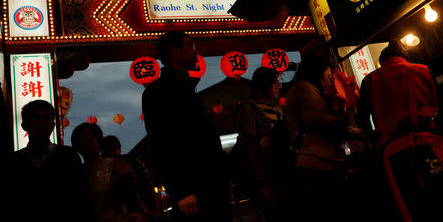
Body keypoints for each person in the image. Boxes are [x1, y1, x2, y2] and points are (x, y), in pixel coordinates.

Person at [142, 31, 230, 221]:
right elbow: (162, 142)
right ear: (175, 51)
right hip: (194, 192)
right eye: (190, 45)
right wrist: (181, 190)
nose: (195, 52)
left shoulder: (185, 87)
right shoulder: (158, 92)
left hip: (210, 184)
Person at [356, 41, 442, 221]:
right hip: (430, 143)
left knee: (409, 204)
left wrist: (376, 140)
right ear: (404, 58)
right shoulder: (422, 70)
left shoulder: (369, 80)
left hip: (392, 153)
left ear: (382, 61)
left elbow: (362, 120)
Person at [284, 55, 352, 221]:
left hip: (317, 163)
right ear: (318, 73)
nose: (330, 80)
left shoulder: (307, 90)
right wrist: (350, 128)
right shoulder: (304, 88)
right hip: (317, 164)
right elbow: (317, 120)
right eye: (329, 76)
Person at [6, 100, 88, 222]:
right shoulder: (14, 161)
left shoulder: (69, 156)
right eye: (36, 118)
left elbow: (79, 198)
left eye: (47, 118)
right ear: (24, 126)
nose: (43, 122)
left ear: (53, 125)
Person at [235, 66, 291, 221]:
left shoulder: (278, 108)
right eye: (275, 83)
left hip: (284, 172)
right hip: (266, 176)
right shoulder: (248, 109)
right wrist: (262, 183)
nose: (278, 86)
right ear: (263, 84)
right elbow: (251, 149)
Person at [71, 123, 146, 222]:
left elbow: (133, 197)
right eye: (82, 138)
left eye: (90, 135)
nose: (87, 140)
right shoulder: (77, 174)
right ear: (77, 146)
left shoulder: (116, 165)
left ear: (98, 139)